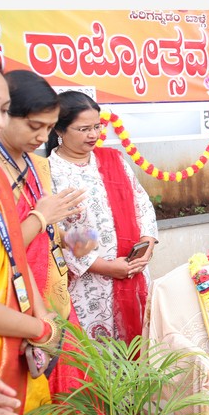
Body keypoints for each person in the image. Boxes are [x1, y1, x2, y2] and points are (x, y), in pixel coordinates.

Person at [0, 51, 75, 415]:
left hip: (35, 296)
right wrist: (41, 215)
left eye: (1, 110)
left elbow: (13, 254)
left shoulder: (23, 170)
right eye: (35, 125)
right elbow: (9, 240)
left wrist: (39, 317)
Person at [47, 91, 159, 343]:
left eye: (98, 126)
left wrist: (147, 243)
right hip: (90, 285)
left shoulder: (112, 159)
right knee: (100, 356)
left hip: (133, 271)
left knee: (142, 347)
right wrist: (104, 266)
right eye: (84, 128)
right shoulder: (50, 172)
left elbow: (141, 202)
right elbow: (57, 231)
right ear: (59, 130)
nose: (94, 135)